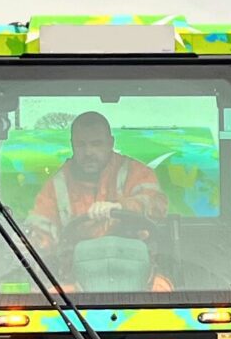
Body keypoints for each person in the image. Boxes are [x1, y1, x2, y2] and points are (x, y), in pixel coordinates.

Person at [27, 110, 170, 257]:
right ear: (72, 145)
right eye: (81, 145)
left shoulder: (134, 172)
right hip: (77, 271)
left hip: (134, 266)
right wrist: (31, 241)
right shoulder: (58, 184)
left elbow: (156, 203)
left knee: (160, 282)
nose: (88, 152)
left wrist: (120, 206)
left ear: (110, 143)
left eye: (96, 144)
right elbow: (41, 225)